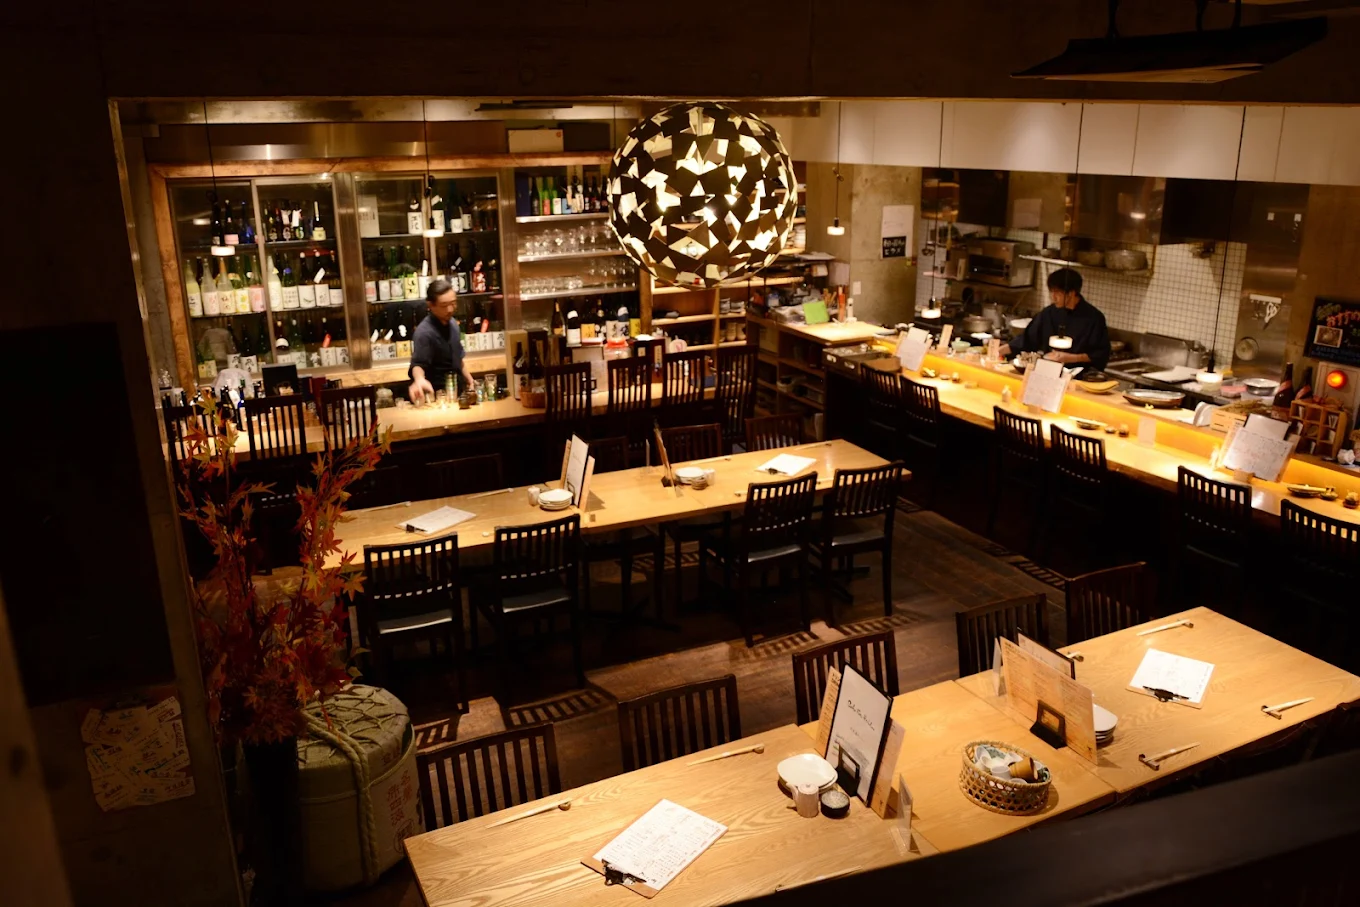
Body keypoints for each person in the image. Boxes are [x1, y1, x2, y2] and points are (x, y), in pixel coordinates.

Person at [1000, 267, 1111, 370]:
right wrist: (998, 351)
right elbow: (1026, 340)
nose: (1053, 297)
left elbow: (1100, 354)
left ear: (1071, 293)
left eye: (1057, 292)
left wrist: (1071, 358)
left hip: (1080, 376)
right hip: (1048, 371)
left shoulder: (1093, 318)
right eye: (1051, 291)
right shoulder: (1048, 313)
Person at [409, 278, 474, 403]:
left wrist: (470, 380)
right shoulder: (424, 332)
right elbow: (418, 364)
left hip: (457, 392)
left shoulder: (453, 324)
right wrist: (419, 379)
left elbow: (458, 359)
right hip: (436, 397)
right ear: (430, 305)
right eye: (444, 305)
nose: (450, 309)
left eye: (453, 303)